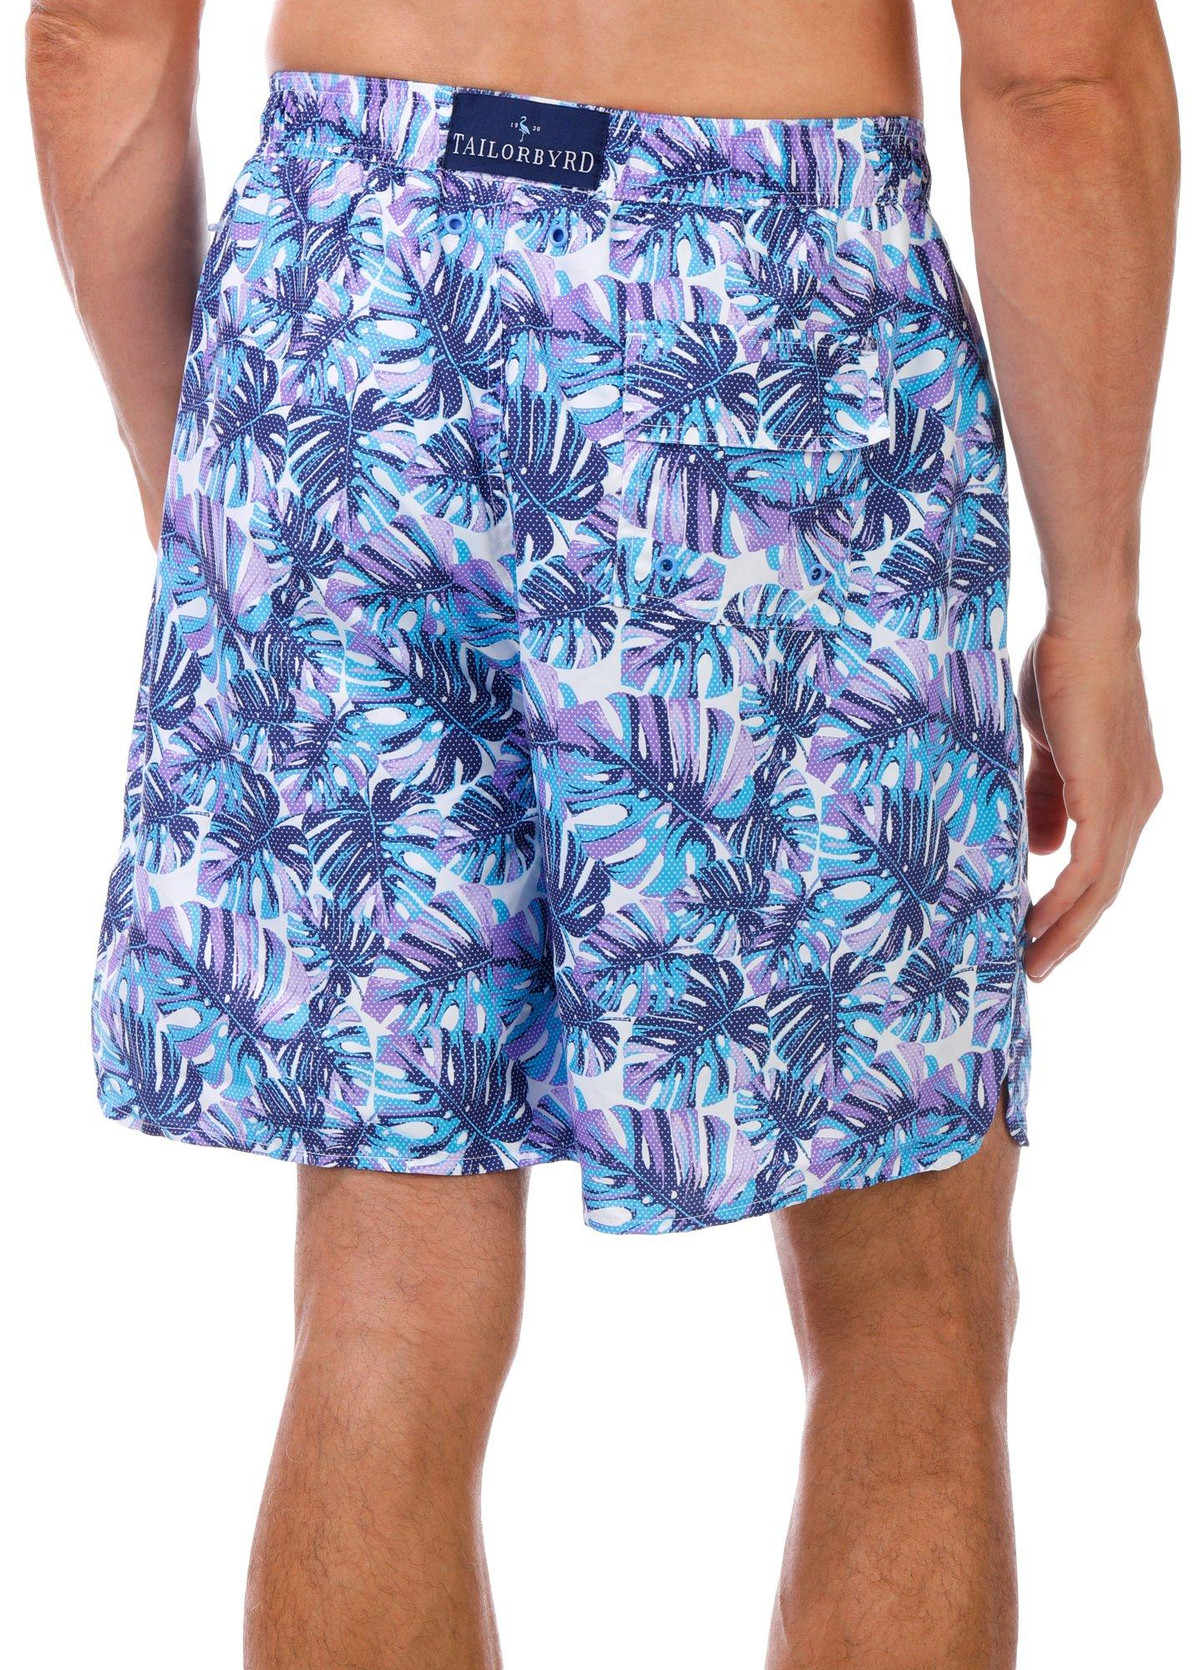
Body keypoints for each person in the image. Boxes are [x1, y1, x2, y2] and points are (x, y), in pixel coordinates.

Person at [27, 1, 1175, 1665]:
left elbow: (94, 37)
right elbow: (1058, 72)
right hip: (763, 327)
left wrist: (206, 478)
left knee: (382, 1307)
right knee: (908, 1301)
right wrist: (1102, 613)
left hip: (346, 306)